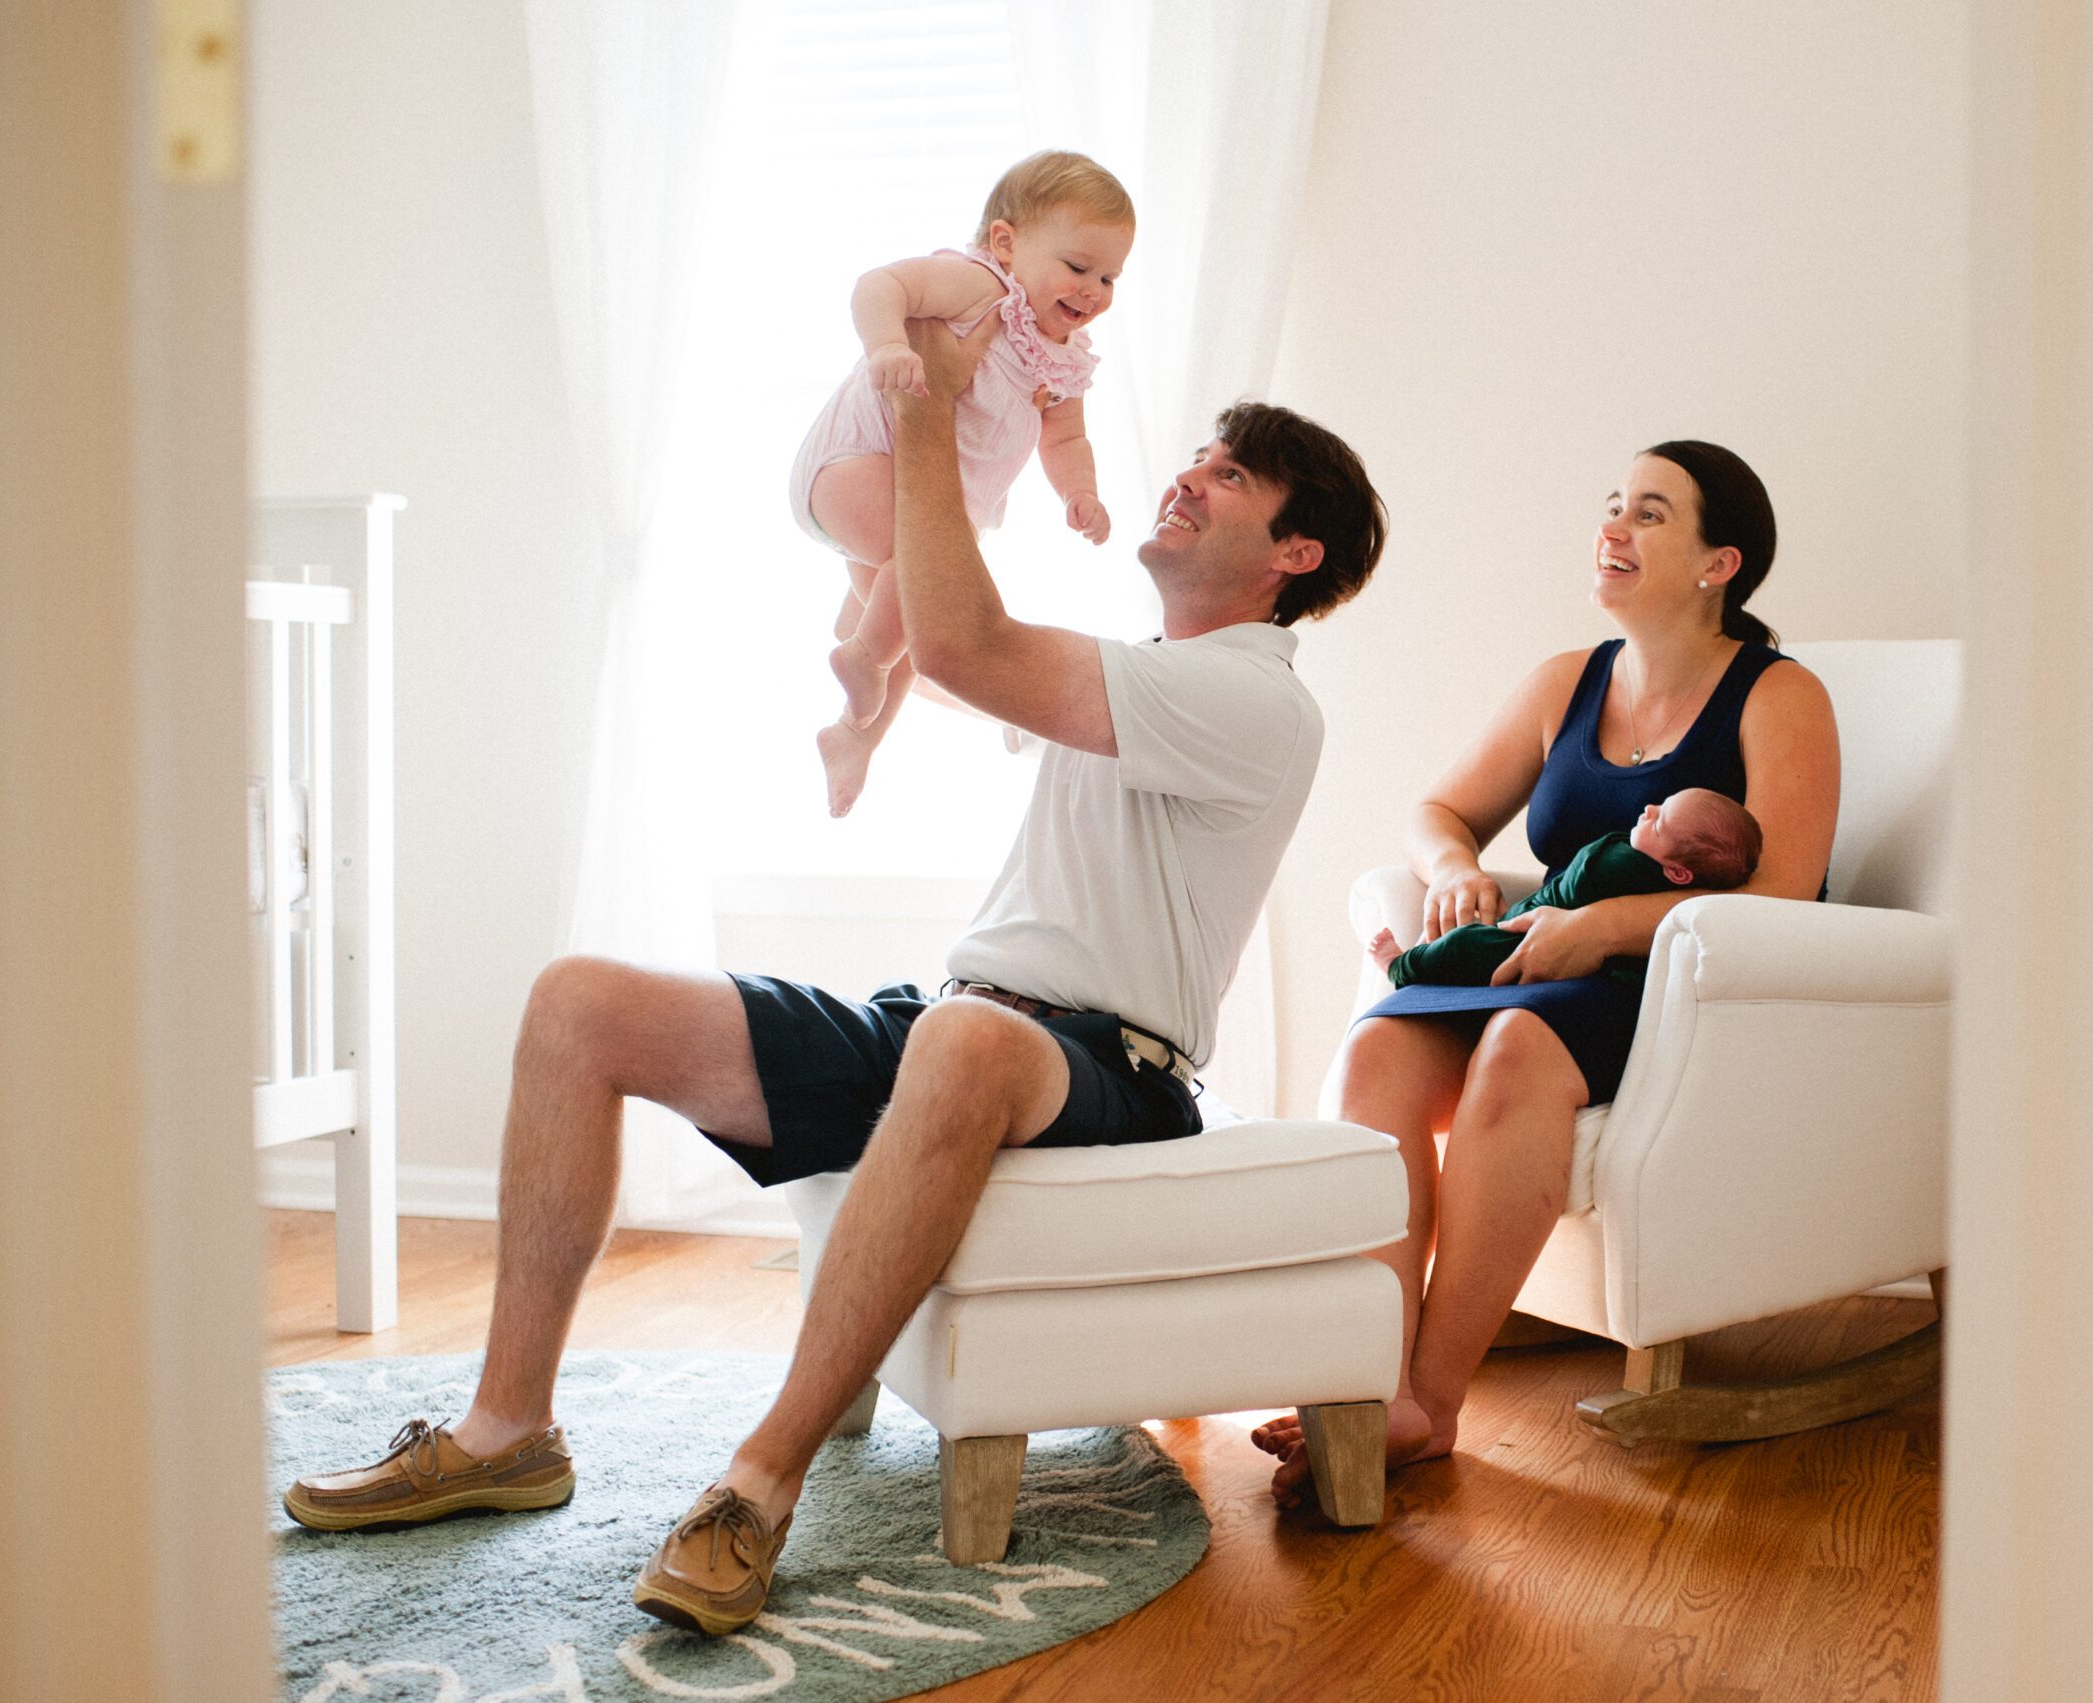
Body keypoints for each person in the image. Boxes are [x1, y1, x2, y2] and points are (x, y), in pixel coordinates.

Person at [282, 310, 1388, 1639]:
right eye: (1197, 453)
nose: (1188, 473)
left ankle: (758, 1479)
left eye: (1230, 473)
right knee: (580, 1004)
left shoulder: (1260, 696)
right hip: (957, 1021)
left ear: (1294, 551)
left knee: (968, 1046)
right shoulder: (1146, 678)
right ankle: (506, 1426)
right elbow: (945, 659)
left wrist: (926, 414)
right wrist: (873, 583)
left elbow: (973, 644)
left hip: (1111, 1066)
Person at [1251, 441, 1840, 1505]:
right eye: (1613, 506)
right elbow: (1438, 811)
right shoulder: (1564, 680)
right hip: (1538, 953)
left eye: (1650, 514)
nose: (1612, 527)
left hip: (1670, 992)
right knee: (1379, 1041)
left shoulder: (1778, 693)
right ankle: (1371, 1386)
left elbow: (1784, 894)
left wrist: (1607, 925)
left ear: (1720, 562)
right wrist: (1455, 870)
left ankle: (1431, 1401)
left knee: (1522, 1044)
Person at [795, 150, 1135, 817]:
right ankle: (862, 648)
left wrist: (1079, 493)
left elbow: (1064, 437)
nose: (1093, 290)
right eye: (1076, 267)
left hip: (922, 501)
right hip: (859, 462)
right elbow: (878, 284)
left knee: (925, 628)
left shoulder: (1062, 358)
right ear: (1006, 244)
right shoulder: (980, 287)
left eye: (1109, 276)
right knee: (927, 584)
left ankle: (855, 738)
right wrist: (888, 344)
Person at [1368, 788, 1761, 989]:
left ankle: (1403, 967)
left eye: (1660, 824)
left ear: (1677, 874)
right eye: (1661, 804)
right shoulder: (1643, 861)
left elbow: (1588, 879)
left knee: (1467, 945)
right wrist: (1452, 868)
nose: (1649, 810)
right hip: (1538, 915)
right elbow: (1437, 812)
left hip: (1543, 942)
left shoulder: (1629, 870)